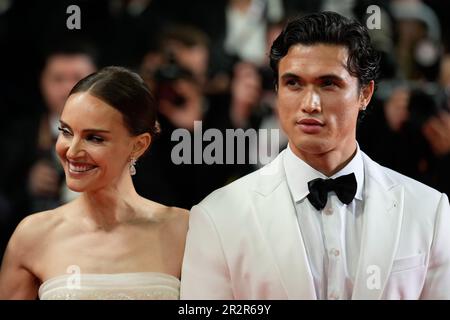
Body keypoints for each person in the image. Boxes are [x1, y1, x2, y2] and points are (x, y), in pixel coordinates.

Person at [180, 12, 450, 299]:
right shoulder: (218, 216)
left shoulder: (428, 211)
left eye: (328, 84)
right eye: (293, 83)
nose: (309, 104)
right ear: (277, 90)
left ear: (365, 94)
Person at [0, 67, 189, 300]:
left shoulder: (183, 229)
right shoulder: (33, 235)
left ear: (139, 145)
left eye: (94, 138)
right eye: (66, 132)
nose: (72, 150)